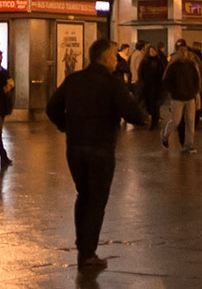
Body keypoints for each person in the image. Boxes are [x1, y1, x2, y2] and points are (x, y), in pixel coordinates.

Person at [46, 37, 152, 270]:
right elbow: (132, 111)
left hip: (75, 148)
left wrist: (66, 126)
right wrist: (145, 118)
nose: (116, 60)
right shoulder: (112, 83)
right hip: (101, 149)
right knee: (96, 200)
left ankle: (82, 246)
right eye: (115, 56)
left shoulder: (74, 80)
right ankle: (87, 253)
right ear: (106, 57)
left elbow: (51, 107)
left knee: (83, 195)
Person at [162, 44, 202, 153]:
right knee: (175, 121)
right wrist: (174, 92)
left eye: (185, 51)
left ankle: (188, 145)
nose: (184, 53)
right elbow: (166, 82)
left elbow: (196, 79)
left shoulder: (191, 65)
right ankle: (165, 135)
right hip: (177, 98)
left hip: (189, 97)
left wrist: (194, 91)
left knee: (190, 121)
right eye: (182, 51)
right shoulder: (173, 66)